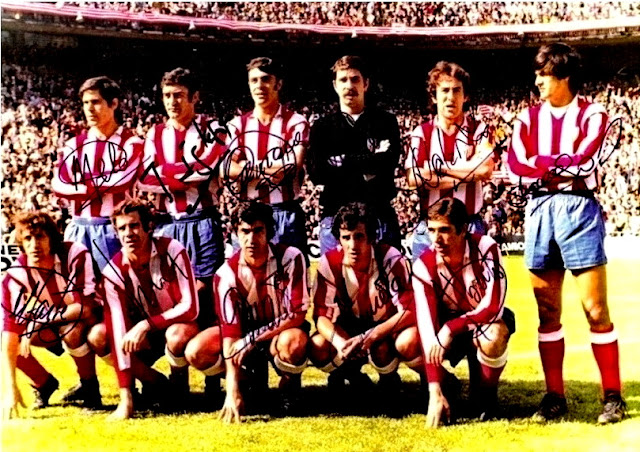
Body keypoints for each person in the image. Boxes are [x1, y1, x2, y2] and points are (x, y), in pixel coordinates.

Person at [507, 43, 625, 424]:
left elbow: (588, 161)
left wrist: (541, 165)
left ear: (564, 76)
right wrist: (556, 166)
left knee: (595, 309)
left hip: (579, 207)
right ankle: (554, 397)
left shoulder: (595, 114)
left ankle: (612, 396)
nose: (537, 81)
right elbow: (515, 167)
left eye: (544, 74)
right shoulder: (526, 119)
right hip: (540, 209)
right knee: (547, 311)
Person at [139, 68, 227, 395]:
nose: (172, 102)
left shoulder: (212, 128)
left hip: (203, 220)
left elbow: (207, 168)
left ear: (194, 97)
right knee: (175, 293)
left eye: (179, 95)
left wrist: (168, 173)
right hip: (168, 223)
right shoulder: (155, 134)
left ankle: (211, 374)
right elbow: (144, 179)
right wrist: (184, 174)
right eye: (167, 96)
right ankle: (178, 372)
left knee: (207, 292)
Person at [91, 199, 199, 420]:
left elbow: (191, 307)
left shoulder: (172, 249)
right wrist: (125, 399)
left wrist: (146, 324)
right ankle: (155, 382)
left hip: (175, 327)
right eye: (122, 228)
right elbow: (118, 329)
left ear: (148, 226)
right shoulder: (113, 272)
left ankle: (179, 390)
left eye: (134, 225)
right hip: (142, 339)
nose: (128, 233)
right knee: (99, 336)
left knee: (176, 335)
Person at [412, 197, 514, 427]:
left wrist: (451, 327)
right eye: (431, 230)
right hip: (448, 327)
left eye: (445, 230)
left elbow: (493, 306)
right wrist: (434, 390)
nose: (436, 238)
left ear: (463, 229)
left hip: (484, 321)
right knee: (409, 342)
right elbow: (427, 327)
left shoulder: (487, 248)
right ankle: (447, 387)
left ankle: (487, 395)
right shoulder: (423, 265)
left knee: (493, 336)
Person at [310, 202, 421, 392]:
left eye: (359, 236)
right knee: (318, 345)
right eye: (346, 237)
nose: (353, 245)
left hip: (384, 328)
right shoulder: (329, 262)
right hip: (349, 327)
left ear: (371, 237)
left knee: (390, 346)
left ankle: (390, 376)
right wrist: (340, 343)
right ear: (339, 239)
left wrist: (372, 336)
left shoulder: (389, 257)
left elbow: (409, 311)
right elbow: (321, 316)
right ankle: (348, 373)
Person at [216, 202, 309, 423]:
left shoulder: (290, 258)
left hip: (279, 333)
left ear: (269, 231)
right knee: (198, 350)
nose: (251, 239)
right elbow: (230, 335)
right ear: (235, 233)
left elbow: (297, 313)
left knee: (293, 341)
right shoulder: (225, 274)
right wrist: (231, 391)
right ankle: (248, 383)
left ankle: (289, 384)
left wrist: (252, 338)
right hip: (244, 340)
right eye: (245, 231)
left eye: (258, 231)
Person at [1, 212, 100, 419]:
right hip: (56, 317)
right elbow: (10, 332)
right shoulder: (16, 274)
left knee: (72, 330)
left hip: (92, 319)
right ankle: (43, 384)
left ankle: (90, 389)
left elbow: (85, 308)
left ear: (52, 239)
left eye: (40, 237)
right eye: (28, 238)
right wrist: (11, 389)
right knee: (9, 338)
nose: (34, 244)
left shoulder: (74, 254)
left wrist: (39, 321)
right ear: (20, 242)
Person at [307, 55, 402, 255]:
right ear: (335, 85)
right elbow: (318, 174)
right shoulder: (322, 127)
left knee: (386, 282)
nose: (349, 85)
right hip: (335, 216)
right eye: (343, 80)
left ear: (366, 83)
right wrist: (369, 162)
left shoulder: (386, 122)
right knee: (337, 284)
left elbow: (388, 164)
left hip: (379, 217)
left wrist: (343, 161)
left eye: (355, 79)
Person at [52, 76, 143, 274]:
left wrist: (81, 184)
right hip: (77, 228)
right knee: (77, 292)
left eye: (96, 102)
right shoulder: (73, 145)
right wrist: (101, 182)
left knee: (116, 291)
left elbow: (121, 181)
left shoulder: (131, 142)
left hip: (113, 229)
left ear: (114, 104)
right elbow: (59, 185)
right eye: (85, 103)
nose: (89, 109)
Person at [405, 61, 495, 260]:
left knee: (472, 289)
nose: (450, 97)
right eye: (444, 90)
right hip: (430, 227)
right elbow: (414, 177)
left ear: (466, 96)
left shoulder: (480, 130)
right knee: (426, 289)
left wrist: (438, 168)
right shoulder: (422, 133)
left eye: (456, 90)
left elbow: (484, 171)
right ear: (434, 96)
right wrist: (466, 174)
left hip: (469, 224)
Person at [223, 57, 309, 255]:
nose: (259, 86)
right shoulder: (237, 125)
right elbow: (227, 170)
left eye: (265, 79)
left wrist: (247, 166)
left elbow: (290, 168)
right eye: (254, 80)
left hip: (284, 213)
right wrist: (271, 168)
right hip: (248, 213)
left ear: (278, 83)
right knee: (248, 282)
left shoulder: (295, 122)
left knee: (290, 278)